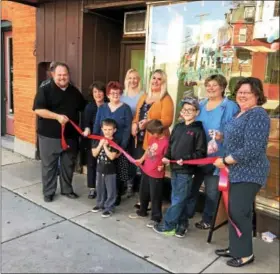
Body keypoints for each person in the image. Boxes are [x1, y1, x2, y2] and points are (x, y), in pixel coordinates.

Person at [213, 77, 270, 267]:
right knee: (233, 210)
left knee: (239, 211)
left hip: (249, 172)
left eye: (247, 92)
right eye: (240, 92)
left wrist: (225, 161)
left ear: (257, 95)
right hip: (235, 171)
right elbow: (237, 139)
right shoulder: (240, 113)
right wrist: (221, 136)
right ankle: (235, 247)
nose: (242, 95)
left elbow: (252, 148)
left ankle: (245, 254)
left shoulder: (258, 114)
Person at [187, 74, 239, 230]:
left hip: (217, 157)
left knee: (211, 191)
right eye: (208, 85)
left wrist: (222, 136)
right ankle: (187, 213)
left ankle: (208, 219)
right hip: (198, 155)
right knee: (192, 187)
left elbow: (236, 132)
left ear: (223, 87)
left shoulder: (230, 106)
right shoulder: (201, 104)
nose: (210, 88)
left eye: (214, 85)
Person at [153, 97, 207, 238]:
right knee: (179, 197)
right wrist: (167, 156)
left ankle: (168, 225)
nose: (187, 112)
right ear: (181, 112)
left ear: (197, 112)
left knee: (178, 198)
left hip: (187, 171)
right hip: (174, 168)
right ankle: (182, 225)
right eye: (185, 109)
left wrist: (187, 159)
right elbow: (171, 145)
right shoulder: (178, 127)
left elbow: (201, 152)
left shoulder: (198, 130)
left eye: (191, 109)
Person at [33, 62, 86, 202]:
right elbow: (38, 110)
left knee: (68, 165)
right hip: (49, 136)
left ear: (69, 75)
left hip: (70, 137)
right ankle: (48, 192)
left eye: (65, 75)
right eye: (59, 75)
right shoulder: (45, 90)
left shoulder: (74, 92)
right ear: (53, 75)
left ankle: (66, 189)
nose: (62, 77)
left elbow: (84, 107)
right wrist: (56, 117)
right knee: (49, 166)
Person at [132, 69, 174, 209]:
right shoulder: (145, 96)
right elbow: (138, 115)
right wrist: (134, 124)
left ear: (163, 82)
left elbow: (167, 121)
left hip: (157, 140)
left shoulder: (166, 99)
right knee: (144, 171)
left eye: (159, 79)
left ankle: (152, 201)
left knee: (154, 173)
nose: (155, 81)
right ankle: (143, 200)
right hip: (142, 138)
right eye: (154, 78)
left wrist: (149, 122)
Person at [93, 81, 133, 206]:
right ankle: (103, 196)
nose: (115, 95)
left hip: (119, 145)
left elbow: (127, 129)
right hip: (103, 144)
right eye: (112, 93)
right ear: (108, 94)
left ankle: (116, 196)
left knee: (119, 172)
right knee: (103, 171)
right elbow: (97, 125)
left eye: (118, 92)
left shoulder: (125, 108)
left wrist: (122, 148)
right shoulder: (102, 108)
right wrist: (96, 142)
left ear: (121, 94)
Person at [129, 119, 169, 228]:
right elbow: (148, 150)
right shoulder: (152, 138)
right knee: (144, 191)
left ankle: (156, 217)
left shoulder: (165, 142)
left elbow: (168, 157)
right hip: (146, 169)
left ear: (157, 132)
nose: (151, 135)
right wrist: (141, 160)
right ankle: (143, 210)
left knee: (155, 195)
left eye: (152, 133)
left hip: (156, 173)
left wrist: (163, 165)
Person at [82, 81, 108, 199]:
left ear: (104, 93)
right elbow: (86, 123)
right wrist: (87, 129)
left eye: (100, 91)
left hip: (107, 140)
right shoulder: (89, 107)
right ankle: (92, 188)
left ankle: (105, 188)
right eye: (95, 92)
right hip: (93, 140)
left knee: (105, 164)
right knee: (91, 163)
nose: (98, 94)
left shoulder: (108, 105)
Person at [121, 68, 144, 197]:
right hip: (124, 132)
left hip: (138, 133)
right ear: (126, 80)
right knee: (125, 158)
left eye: (135, 78)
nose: (132, 80)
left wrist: (136, 125)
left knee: (137, 159)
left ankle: (138, 186)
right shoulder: (122, 95)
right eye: (130, 78)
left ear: (139, 80)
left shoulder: (143, 95)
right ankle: (127, 184)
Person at [91, 118, 119, 218]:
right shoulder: (97, 139)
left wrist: (106, 147)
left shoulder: (115, 141)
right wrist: (100, 144)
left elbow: (112, 156)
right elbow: (94, 154)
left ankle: (109, 207)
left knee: (111, 190)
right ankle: (100, 204)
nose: (107, 132)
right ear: (102, 129)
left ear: (114, 130)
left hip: (110, 170)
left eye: (110, 129)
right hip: (99, 169)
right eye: (105, 129)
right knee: (100, 188)